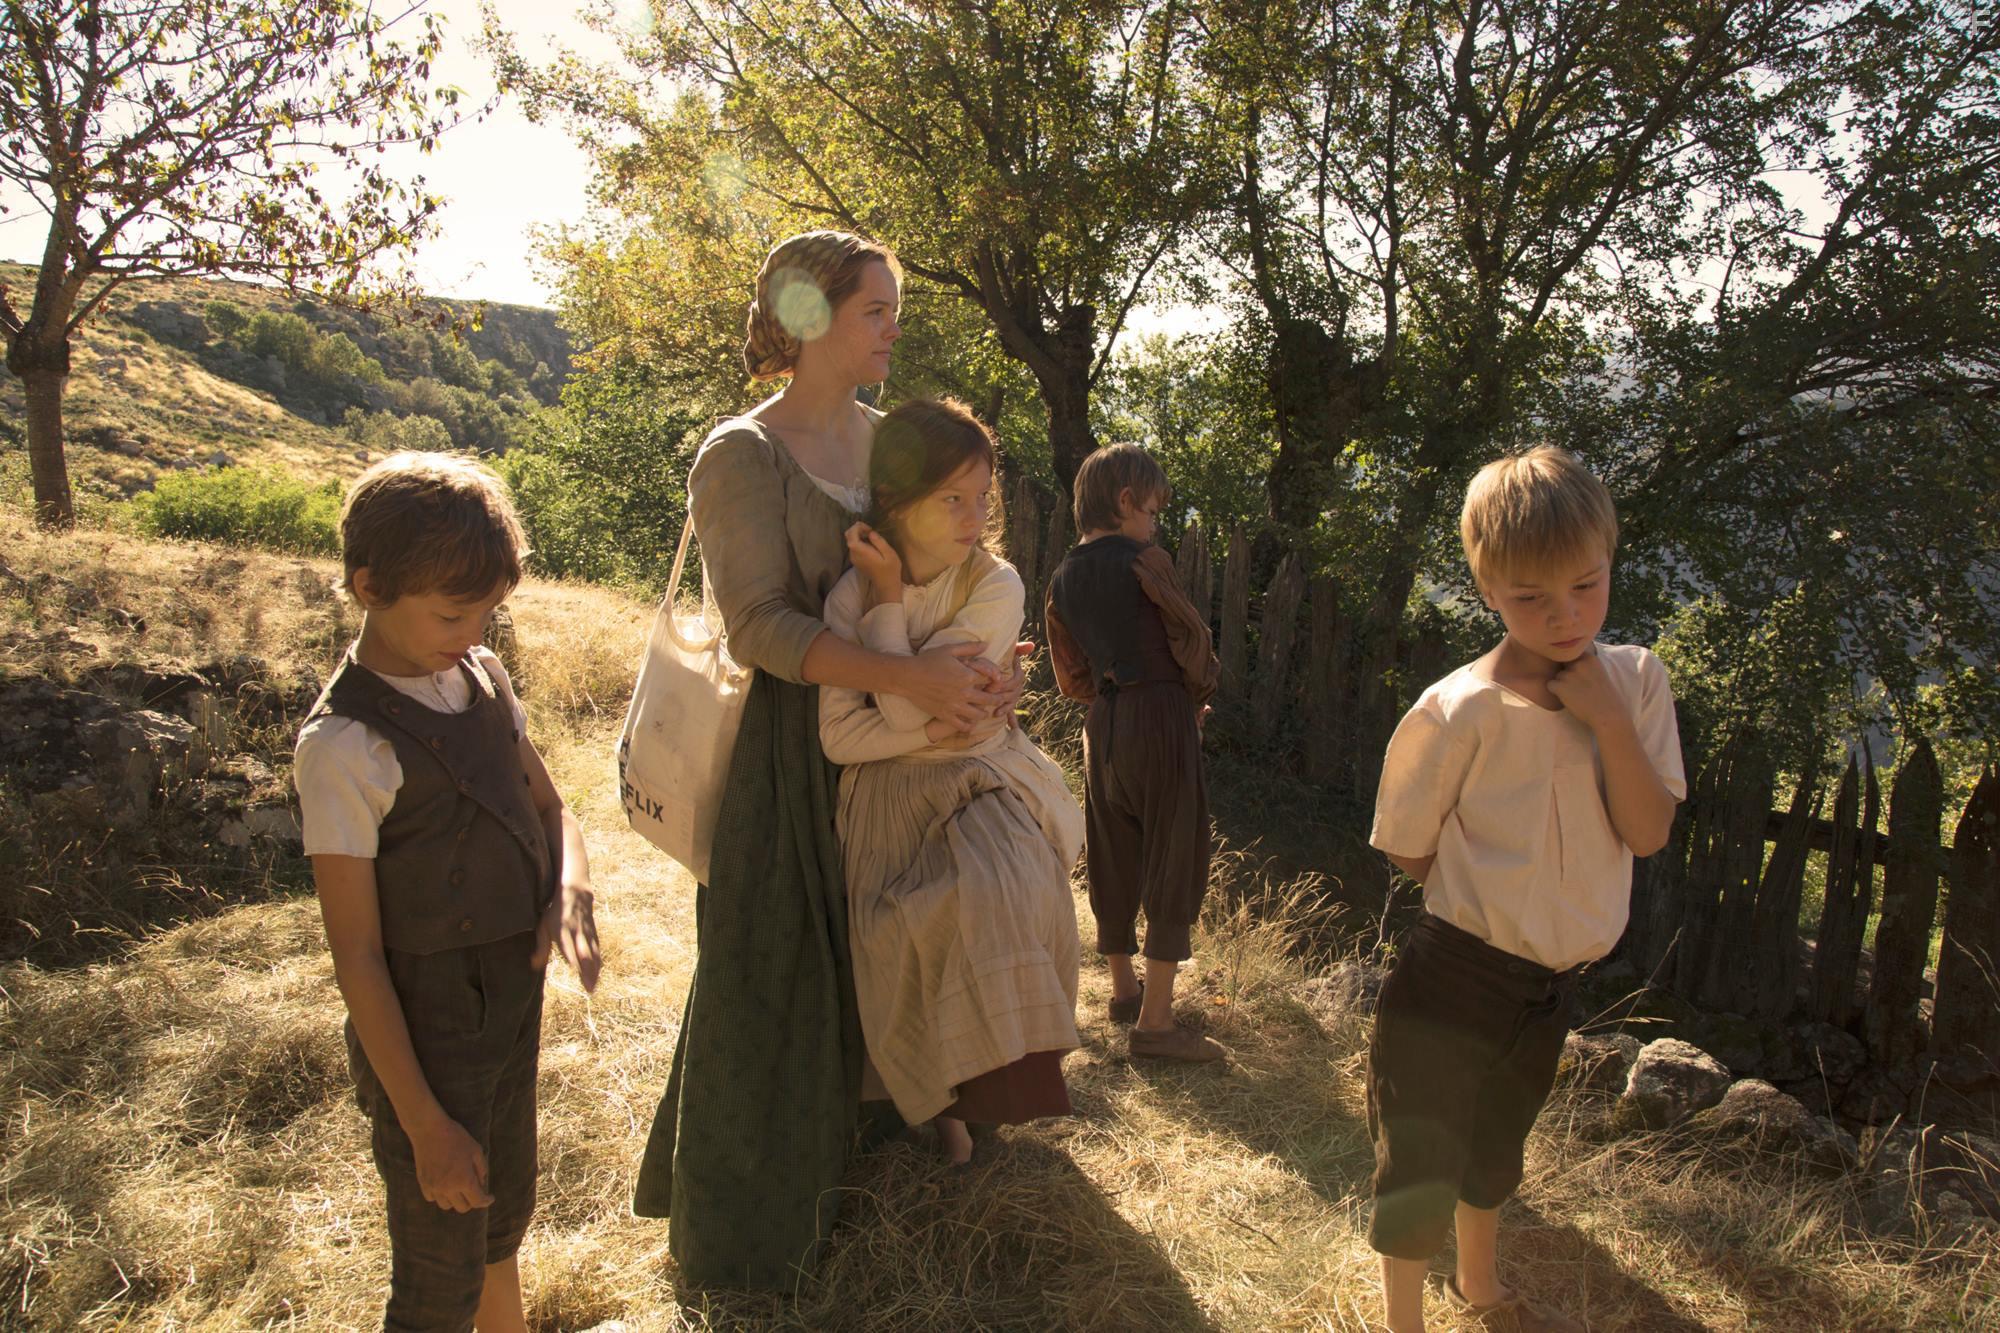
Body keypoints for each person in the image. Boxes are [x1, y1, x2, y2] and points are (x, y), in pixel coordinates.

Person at [631, 231, 1028, 1287]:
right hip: (788, 755)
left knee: (898, 947)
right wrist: (909, 681)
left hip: (911, 744)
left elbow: (959, 566)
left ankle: (891, 1135)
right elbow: (757, 625)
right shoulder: (740, 453)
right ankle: (751, 1231)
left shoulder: (893, 439)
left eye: (893, 310)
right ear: (811, 320)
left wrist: (989, 673)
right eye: (875, 311)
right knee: (774, 972)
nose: (895, 328)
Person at [1365, 445, 1685, 1333]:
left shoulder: (1637, 683)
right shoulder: (1458, 708)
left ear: (1609, 560)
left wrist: (1608, 719)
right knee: (1422, 1153)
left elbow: (1649, 830)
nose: (1566, 615)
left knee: (1497, 1145)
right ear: (1487, 589)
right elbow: (1410, 845)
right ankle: (1403, 1320)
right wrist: (1493, 897)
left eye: (1586, 586)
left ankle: (1479, 1282)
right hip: (1454, 974)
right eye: (1531, 598)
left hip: (1549, 988)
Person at [294, 452, 601, 1333]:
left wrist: (570, 890)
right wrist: (425, 1123)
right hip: (423, 1032)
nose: (473, 631)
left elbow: (552, 808)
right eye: (451, 612)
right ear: (368, 586)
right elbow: (355, 954)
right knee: (437, 1268)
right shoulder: (345, 746)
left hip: (509, 999)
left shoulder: (482, 677)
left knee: (499, 1222)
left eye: (488, 613)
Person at [819, 398, 1086, 1164]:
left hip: (976, 769)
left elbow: (917, 703)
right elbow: (842, 735)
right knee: (917, 920)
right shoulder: (848, 596)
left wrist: (927, 714)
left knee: (1005, 888)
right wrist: (887, 604)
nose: (974, 515)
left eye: (982, 498)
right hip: (886, 790)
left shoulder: (994, 585)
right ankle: (944, 1108)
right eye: (951, 498)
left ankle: (991, 1089)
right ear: (899, 498)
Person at [1045, 443, 1226, 1063]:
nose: (1154, 522)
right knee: (1176, 847)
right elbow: (1189, 633)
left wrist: (1108, 696)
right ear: (1124, 502)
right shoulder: (1147, 560)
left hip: (1106, 719)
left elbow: (1069, 671)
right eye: (1150, 509)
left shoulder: (1063, 576)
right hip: (1159, 712)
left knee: (1113, 845)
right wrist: (1192, 697)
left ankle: (1124, 990)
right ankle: (1155, 1024)